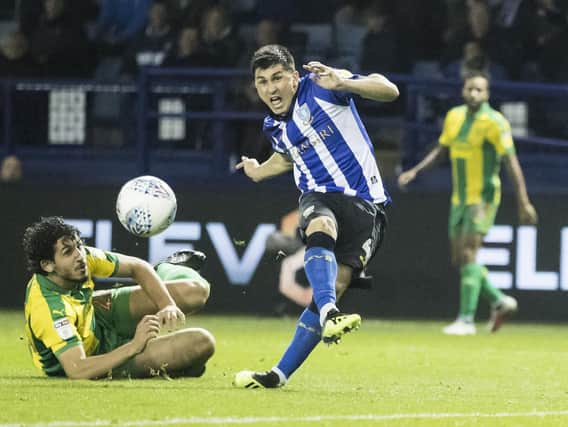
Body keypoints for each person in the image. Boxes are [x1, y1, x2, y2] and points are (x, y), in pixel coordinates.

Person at [233, 44, 399, 388]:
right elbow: (284, 158)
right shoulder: (273, 126)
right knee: (320, 224)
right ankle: (298, 352)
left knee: (334, 287)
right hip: (319, 196)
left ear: (294, 78)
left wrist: (346, 83)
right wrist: (255, 171)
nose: (271, 88)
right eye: (262, 82)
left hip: (368, 207)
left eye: (278, 78)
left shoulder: (323, 87)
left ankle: (284, 368)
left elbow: (389, 90)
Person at [398, 71, 538, 336]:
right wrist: (415, 171)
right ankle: (499, 300)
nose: (474, 93)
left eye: (479, 90)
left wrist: (523, 201)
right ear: (463, 90)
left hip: (483, 198)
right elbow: (442, 149)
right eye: (470, 89)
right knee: (459, 260)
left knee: (468, 255)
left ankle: (466, 320)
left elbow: (511, 162)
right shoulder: (454, 116)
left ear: (487, 94)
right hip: (459, 199)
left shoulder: (495, 122)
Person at [23, 216, 215, 379]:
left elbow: (137, 267)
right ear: (47, 265)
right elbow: (77, 369)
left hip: (96, 315)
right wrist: (135, 345)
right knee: (201, 343)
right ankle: (178, 366)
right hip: (96, 359)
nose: (79, 256)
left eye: (78, 246)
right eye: (67, 252)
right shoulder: (48, 308)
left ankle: (166, 268)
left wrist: (167, 305)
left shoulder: (83, 258)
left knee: (195, 292)